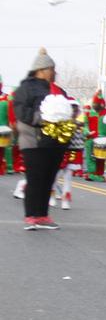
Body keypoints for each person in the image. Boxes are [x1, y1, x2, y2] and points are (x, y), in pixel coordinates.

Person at [13, 48, 68, 230]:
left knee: (48, 179)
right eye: (52, 69)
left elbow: (68, 108)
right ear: (42, 69)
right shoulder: (25, 88)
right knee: (35, 179)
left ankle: (43, 215)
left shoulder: (58, 90)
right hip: (33, 141)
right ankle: (30, 216)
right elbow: (22, 112)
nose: (54, 72)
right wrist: (44, 118)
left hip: (55, 142)